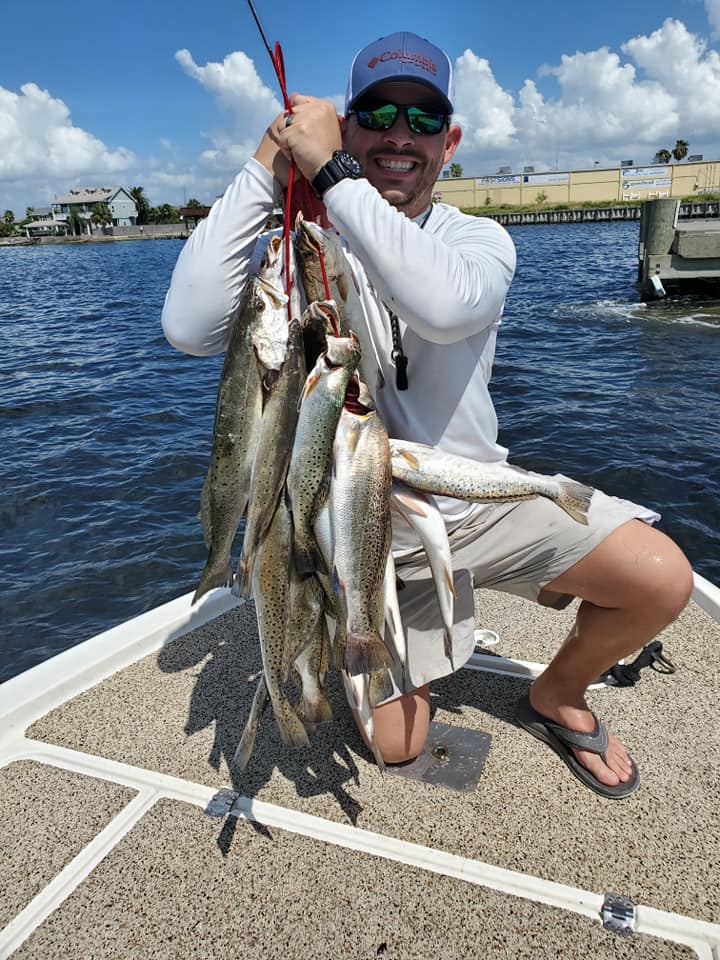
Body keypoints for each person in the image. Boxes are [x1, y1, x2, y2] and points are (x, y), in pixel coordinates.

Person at [162, 31, 694, 799]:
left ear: (450, 142)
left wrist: (336, 174)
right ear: (345, 129)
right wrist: (268, 165)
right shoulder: (310, 247)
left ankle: (557, 693)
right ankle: (354, 618)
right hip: (365, 527)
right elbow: (188, 328)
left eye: (421, 119)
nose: (397, 135)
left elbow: (442, 307)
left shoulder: (478, 241)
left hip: (470, 495)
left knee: (660, 579)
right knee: (399, 747)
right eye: (376, 114)